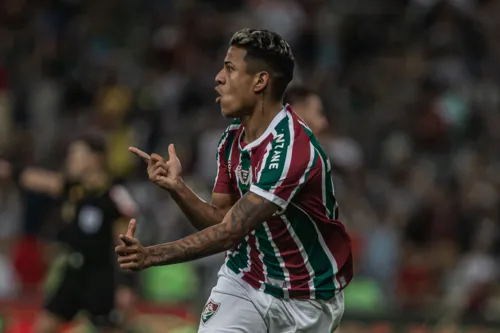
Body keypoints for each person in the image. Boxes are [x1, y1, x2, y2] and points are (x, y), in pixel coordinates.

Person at [116, 29, 353, 333]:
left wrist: (153, 254)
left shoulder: (291, 149)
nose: (218, 78)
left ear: (260, 81)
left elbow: (229, 232)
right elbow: (219, 219)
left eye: (229, 68)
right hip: (245, 280)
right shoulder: (232, 139)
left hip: (307, 298)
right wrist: (178, 188)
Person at [0, 136, 137, 333]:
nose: (70, 159)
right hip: (72, 272)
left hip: (100, 276)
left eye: (76, 154)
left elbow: (127, 242)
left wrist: (126, 285)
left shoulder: (113, 196)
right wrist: (8, 170)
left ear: (94, 159)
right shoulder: (74, 189)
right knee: (44, 326)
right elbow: (38, 180)